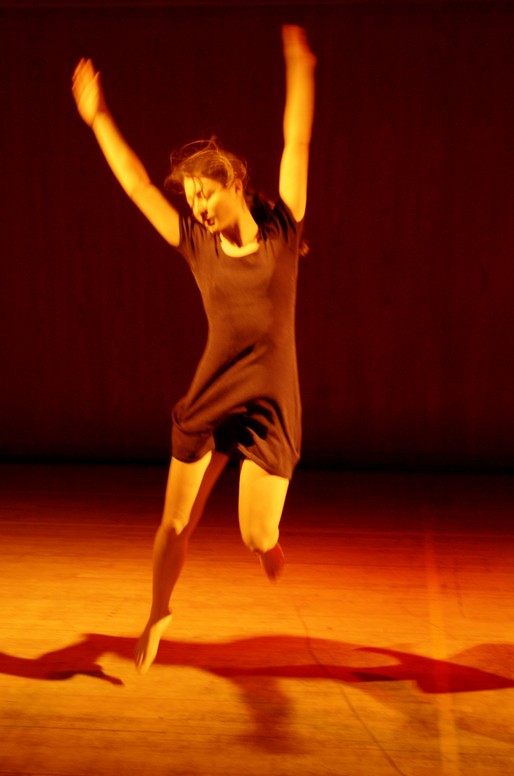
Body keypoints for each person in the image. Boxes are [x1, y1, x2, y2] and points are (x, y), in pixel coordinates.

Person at [71, 24, 316, 674]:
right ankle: (158, 610)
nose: (199, 207)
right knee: (174, 521)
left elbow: (296, 140)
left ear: (233, 182)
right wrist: (99, 119)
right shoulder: (197, 246)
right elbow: (137, 187)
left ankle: (267, 546)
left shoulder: (282, 232)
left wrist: (300, 67)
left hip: (270, 402)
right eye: (192, 199)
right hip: (214, 391)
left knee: (255, 532)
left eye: (205, 193)